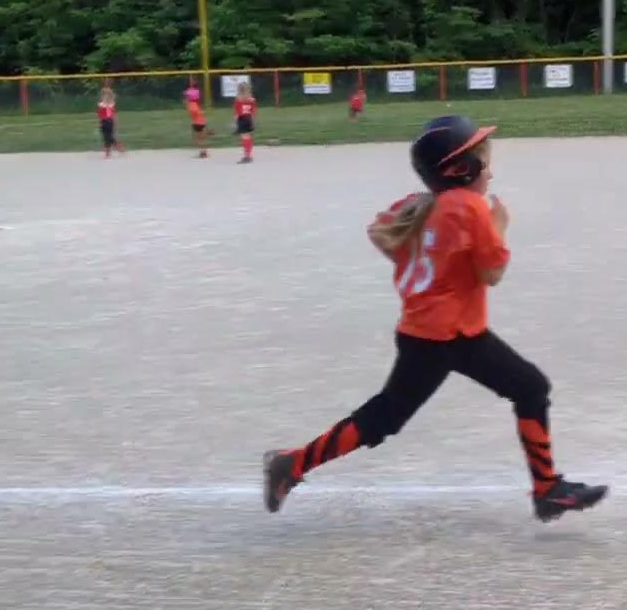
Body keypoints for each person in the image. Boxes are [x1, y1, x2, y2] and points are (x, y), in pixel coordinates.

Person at [261, 115, 609, 523]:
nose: (490, 171)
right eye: (483, 161)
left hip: (434, 331)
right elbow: (491, 274)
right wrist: (499, 226)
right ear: (460, 169)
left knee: (524, 388)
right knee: (393, 415)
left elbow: (380, 231)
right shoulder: (469, 207)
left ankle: (547, 489)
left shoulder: (420, 203)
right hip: (447, 336)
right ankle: (291, 463)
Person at [97, 87, 126, 158]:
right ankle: (116, 147)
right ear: (102, 96)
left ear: (110, 97)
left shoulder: (111, 104)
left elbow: (113, 115)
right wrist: (100, 122)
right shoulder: (101, 105)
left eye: (107, 96)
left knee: (109, 137)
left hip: (109, 122)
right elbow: (100, 114)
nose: (105, 97)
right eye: (104, 95)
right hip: (103, 122)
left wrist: (115, 123)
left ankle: (111, 150)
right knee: (106, 137)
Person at [233, 81, 257, 164]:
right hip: (249, 118)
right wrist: (253, 122)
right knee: (248, 137)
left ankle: (247, 156)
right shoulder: (252, 100)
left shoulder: (238, 100)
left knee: (244, 137)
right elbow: (253, 112)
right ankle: (248, 154)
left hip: (242, 119)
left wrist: (236, 124)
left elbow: (237, 114)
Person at [185, 86, 209, 158]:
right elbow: (196, 112)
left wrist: (198, 113)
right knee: (201, 138)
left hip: (197, 123)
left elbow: (194, 112)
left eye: (187, 96)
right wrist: (201, 112)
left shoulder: (191, 104)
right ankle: (203, 151)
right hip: (202, 122)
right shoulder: (195, 104)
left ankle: (202, 152)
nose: (186, 98)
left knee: (197, 139)